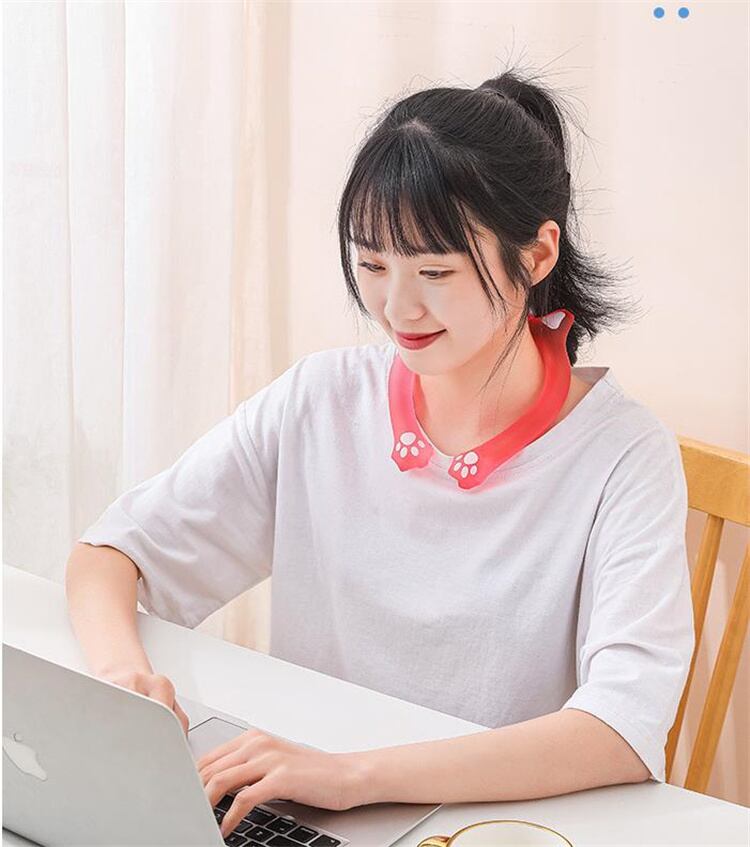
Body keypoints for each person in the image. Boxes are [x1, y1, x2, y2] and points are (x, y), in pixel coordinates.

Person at [66, 68, 695, 836]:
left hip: (477, 825)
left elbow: (622, 727)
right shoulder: (322, 399)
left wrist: (354, 776)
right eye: (371, 265)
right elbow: (111, 553)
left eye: (435, 271)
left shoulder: (624, 456)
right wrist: (122, 681)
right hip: (301, 801)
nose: (397, 307)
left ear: (536, 255)